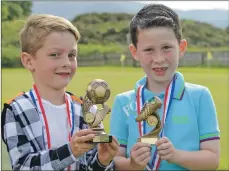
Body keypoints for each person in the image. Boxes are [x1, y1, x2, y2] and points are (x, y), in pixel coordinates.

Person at [1, 14, 119, 171]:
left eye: (72, 55)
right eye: (55, 55)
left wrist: (103, 161)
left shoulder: (86, 109)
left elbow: (89, 167)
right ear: (29, 61)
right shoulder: (16, 110)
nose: (66, 63)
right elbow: (22, 166)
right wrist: (70, 151)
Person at [110, 4, 220, 170]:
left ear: (181, 48)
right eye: (149, 50)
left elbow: (212, 160)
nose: (159, 59)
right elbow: (115, 161)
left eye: (166, 48)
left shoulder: (200, 96)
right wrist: (132, 164)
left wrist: (177, 156)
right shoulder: (122, 102)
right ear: (134, 52)